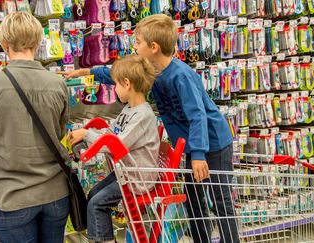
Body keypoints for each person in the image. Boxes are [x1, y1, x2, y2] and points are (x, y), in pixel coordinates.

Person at [60, 14, 239, 243]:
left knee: (220, 199)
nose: (134, 47)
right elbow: (121, 75)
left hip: (212, 142)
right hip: (193, 146)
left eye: (137, 43)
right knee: (194, 201)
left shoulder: (181, 76)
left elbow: (198, 116)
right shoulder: (151, 72)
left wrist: (198, 154)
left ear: (153, 47)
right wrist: (86, 72)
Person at [0, 12, 70, 243]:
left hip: (11, 196)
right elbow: (60, 133)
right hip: (55, 193)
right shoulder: (58, 84)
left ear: (4, 44)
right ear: (38, 42)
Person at [69, 55, 160, 243]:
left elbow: (117, 144)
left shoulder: (142, 115)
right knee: (93, 194)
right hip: (127, 173)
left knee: (96, 204)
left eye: (116, 84)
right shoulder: (130, 109)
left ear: (127, 84)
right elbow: (112, 132)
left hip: (137, 178)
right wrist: (89, 133)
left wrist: (86, 135)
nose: (114, 89)